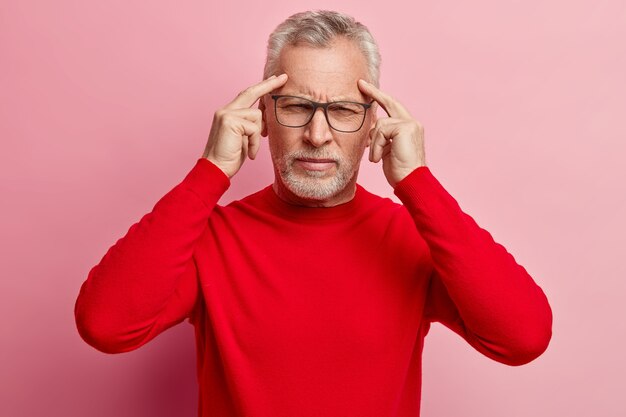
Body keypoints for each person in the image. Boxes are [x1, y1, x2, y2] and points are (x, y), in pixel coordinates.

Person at [74, 10, 552, 417]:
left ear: (373, 125)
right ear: (261, 115)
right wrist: (211, 171)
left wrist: (417, 182)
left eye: (344, 110)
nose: (318, 135)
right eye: (297, 107)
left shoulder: (414, 238)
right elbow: (106, 326)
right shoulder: (209, 237)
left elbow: (522, 337)